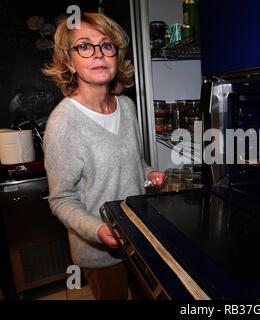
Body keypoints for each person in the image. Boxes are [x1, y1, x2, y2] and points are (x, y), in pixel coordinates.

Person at [42, 12, 167, 300]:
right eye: (84, 46)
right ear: (70, 62)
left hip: (139, 237)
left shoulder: (128, 107)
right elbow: (61, 199)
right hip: (100, 251)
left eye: (106, 45)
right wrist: (100, 231)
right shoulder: (63, 122)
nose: (98, 54)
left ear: (116, 57)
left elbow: (134, 161)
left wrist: (148, 173)